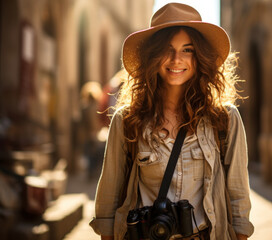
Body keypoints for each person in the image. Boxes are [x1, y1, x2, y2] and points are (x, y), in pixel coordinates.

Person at [90, 3, 254, 240]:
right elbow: (108, 199)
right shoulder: (127, 120)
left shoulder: (225, 119)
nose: (176, 59)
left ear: (199, 57)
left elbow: (238, 197)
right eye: (167, 49)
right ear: (153, 56)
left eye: (187, 50)